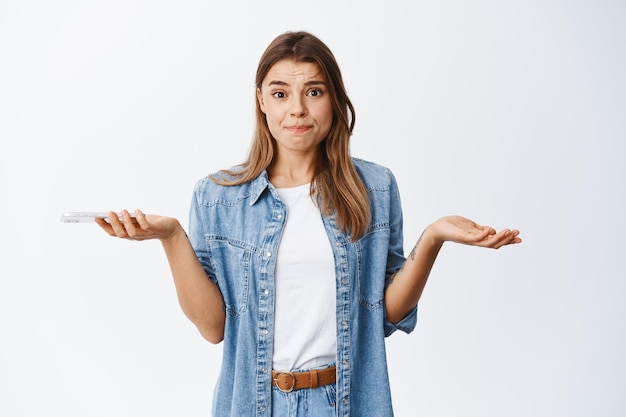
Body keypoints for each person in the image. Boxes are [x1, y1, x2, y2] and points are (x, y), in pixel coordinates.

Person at [96, 31, 521, 417]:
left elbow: (386, 315)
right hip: (252, 402)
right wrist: (171, 237)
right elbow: (213, 328)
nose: (297, 109)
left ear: (333, 98)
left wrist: (433, 239)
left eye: (313, 91)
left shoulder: (375, 187)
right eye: (280, 94)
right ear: (261, 100)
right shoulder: (217, 196)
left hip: (346, 401)